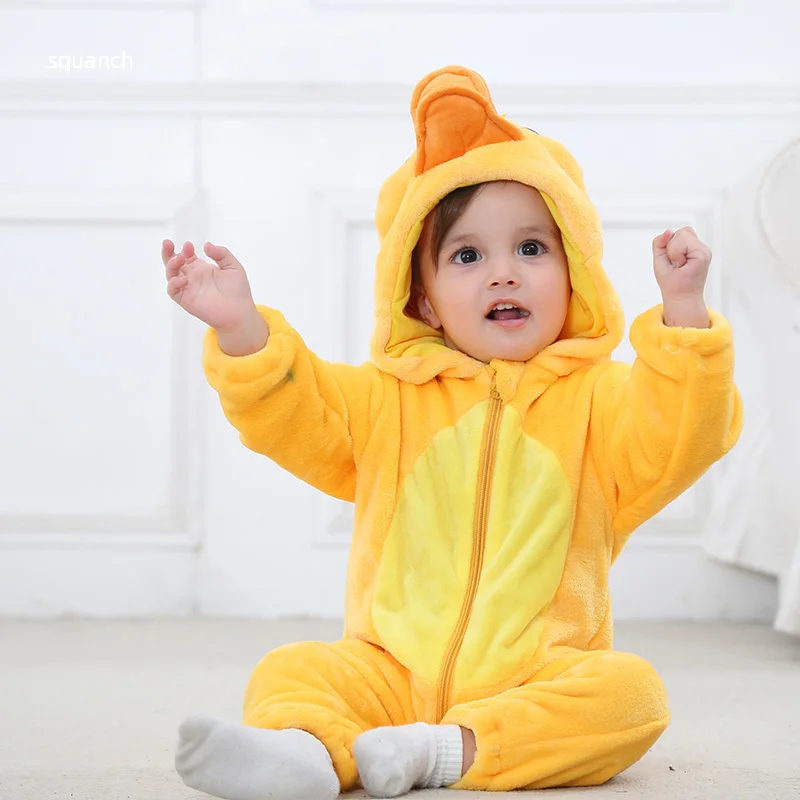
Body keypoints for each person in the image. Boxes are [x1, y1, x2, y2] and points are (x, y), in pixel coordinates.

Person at [163, 66, 742, 800]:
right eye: (467, 256)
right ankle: (306, 755)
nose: (504, 274)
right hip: (388, 667)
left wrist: (684, 314)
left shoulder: (600, 402)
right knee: (294, 669)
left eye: (532, 249)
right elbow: (296, 410)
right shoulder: (387, 403)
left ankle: (445, 752)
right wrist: (242, 329)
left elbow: (681, 433)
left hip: (533, 677)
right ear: (426, 303)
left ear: (576, 275)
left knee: (631, 695)